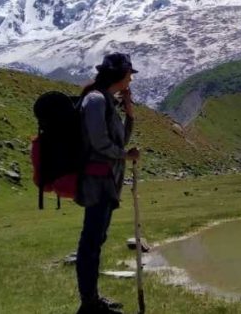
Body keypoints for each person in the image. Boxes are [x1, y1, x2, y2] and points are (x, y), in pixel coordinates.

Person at [75, 52, 140, 314]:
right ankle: (89, 302)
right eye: (128, 75)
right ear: (119, 76)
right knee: (90, 241)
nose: (130, 80)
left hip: (107, 180)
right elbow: (101, 143)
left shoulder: (107, 101)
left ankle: (92, 299)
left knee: (96, 239)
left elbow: (119, 139)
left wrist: (130, 113)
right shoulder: (95, 101)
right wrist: (125, 155)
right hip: (96, 180)